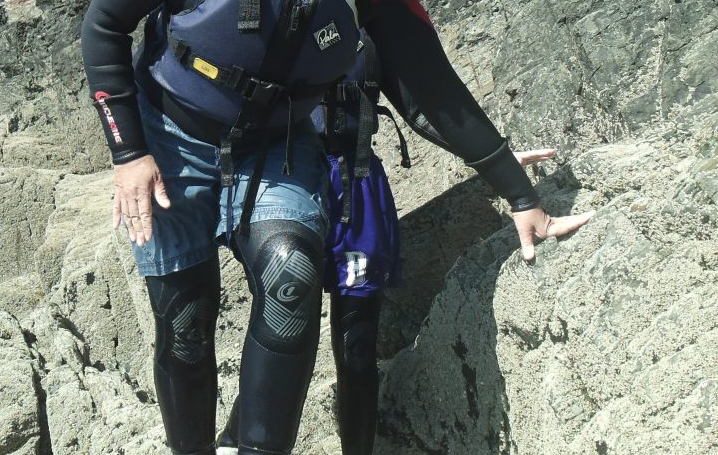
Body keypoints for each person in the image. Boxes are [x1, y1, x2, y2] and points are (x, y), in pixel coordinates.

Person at [80, 0, 594, 455]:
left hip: (279, 142)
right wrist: (129, 153)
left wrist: (518, 193)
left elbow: (428, 90)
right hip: (172, 137)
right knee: (185, 321)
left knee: (291, 276)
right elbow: (104, 24)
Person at [214, 35, 561, 455]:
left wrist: (494, 159)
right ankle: (234, 438)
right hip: (282, 187)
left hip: (356, 187)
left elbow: (422, 110)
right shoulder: (270, 15)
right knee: (285, 329)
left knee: (357, 347)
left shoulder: (373, 30)